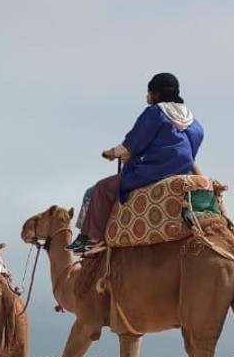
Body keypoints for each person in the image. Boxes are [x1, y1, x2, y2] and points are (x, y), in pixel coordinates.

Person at [68, 72, 204, 255]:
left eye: (150, 92)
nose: (148, 96)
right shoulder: (194, 122)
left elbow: (132, 143)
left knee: (102, 188)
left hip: (153, 171)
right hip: (182, 171)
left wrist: (111, 153)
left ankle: (94, 240)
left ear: (156, 93)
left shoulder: (156, 113)